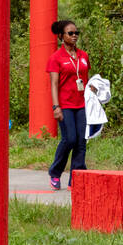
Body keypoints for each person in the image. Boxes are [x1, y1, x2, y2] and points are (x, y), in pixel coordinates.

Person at [46, 19, 92, 189]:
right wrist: (55, 107)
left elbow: (86, 79)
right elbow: (54, 84)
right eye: (70, 33)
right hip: (65, 105)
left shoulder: (83, 55)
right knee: (70, 139)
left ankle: (77, 178)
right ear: (61, 36)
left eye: (76, 33)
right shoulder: (55, 58)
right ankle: (55, 172)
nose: (74, 36)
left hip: (82, 104)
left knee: (81, 141)